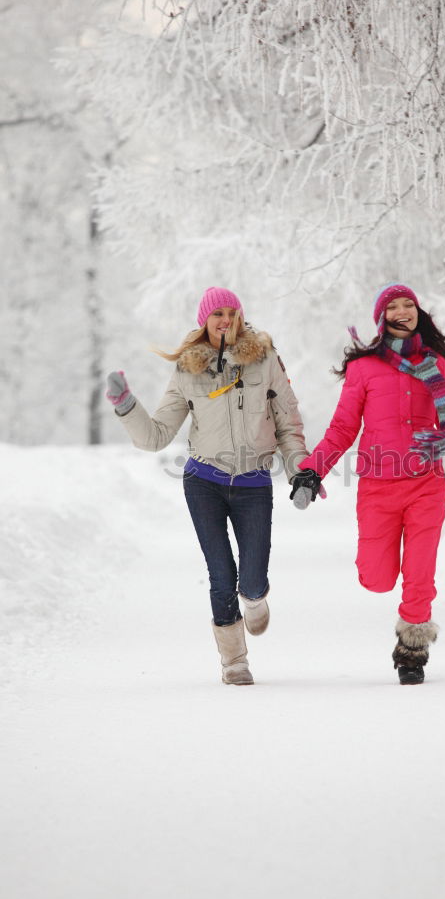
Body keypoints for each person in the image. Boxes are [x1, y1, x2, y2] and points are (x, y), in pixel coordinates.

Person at [290, 283, 445, 686]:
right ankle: (398, 612)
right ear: (382, 318)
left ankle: (412, 649)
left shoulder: (436, 366)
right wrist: (312, 470)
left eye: (409, 304)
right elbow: (342, 430)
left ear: (417, 313)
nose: (404, 310)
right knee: (376, 578)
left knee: (420, 574)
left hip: (426, 485)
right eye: (394, 306)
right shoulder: (364, 368)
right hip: (377, 488)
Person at [106, 286, 308, 686]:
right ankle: (234, 661)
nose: (224, 321)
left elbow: (288, 423)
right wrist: (126, 405)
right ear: (204, 321)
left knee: (251, 579)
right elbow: (158, 435)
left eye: (231, 314)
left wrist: (300, 470)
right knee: (220, 573)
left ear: (240, 318)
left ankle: (254, 598)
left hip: (253, 483)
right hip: (204, 483)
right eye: (217, 315)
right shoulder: (188, 368)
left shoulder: (265, 359)